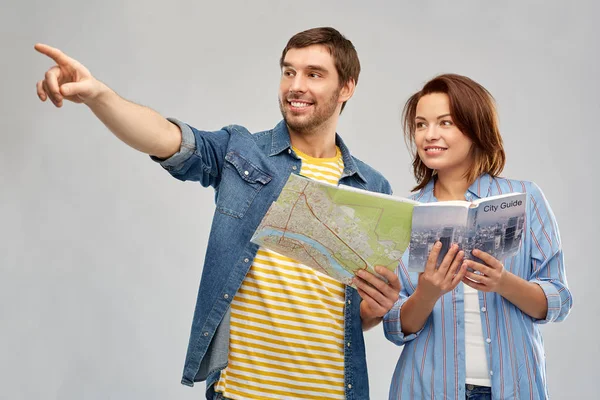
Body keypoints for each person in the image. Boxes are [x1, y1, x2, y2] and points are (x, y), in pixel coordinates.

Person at [35, 27, 401, 400]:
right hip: (243, 393)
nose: (295, 85)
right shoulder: (241, 150)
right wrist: (99, 95)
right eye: (288, 71)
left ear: (347, 88)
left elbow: (355, 314)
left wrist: (374, 309)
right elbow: (167, 138)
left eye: (314, 74)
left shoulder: (372, 188)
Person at [383, 74, 572, 400]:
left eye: (445, 123)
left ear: (475, 128)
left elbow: (557, 300)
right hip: (427, 389)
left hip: (514, 388)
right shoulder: (404, 214)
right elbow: (393, 324)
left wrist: (502, 282)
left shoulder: (525, 197)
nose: (430, 135)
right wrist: (427, 294)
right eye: (420, 125)